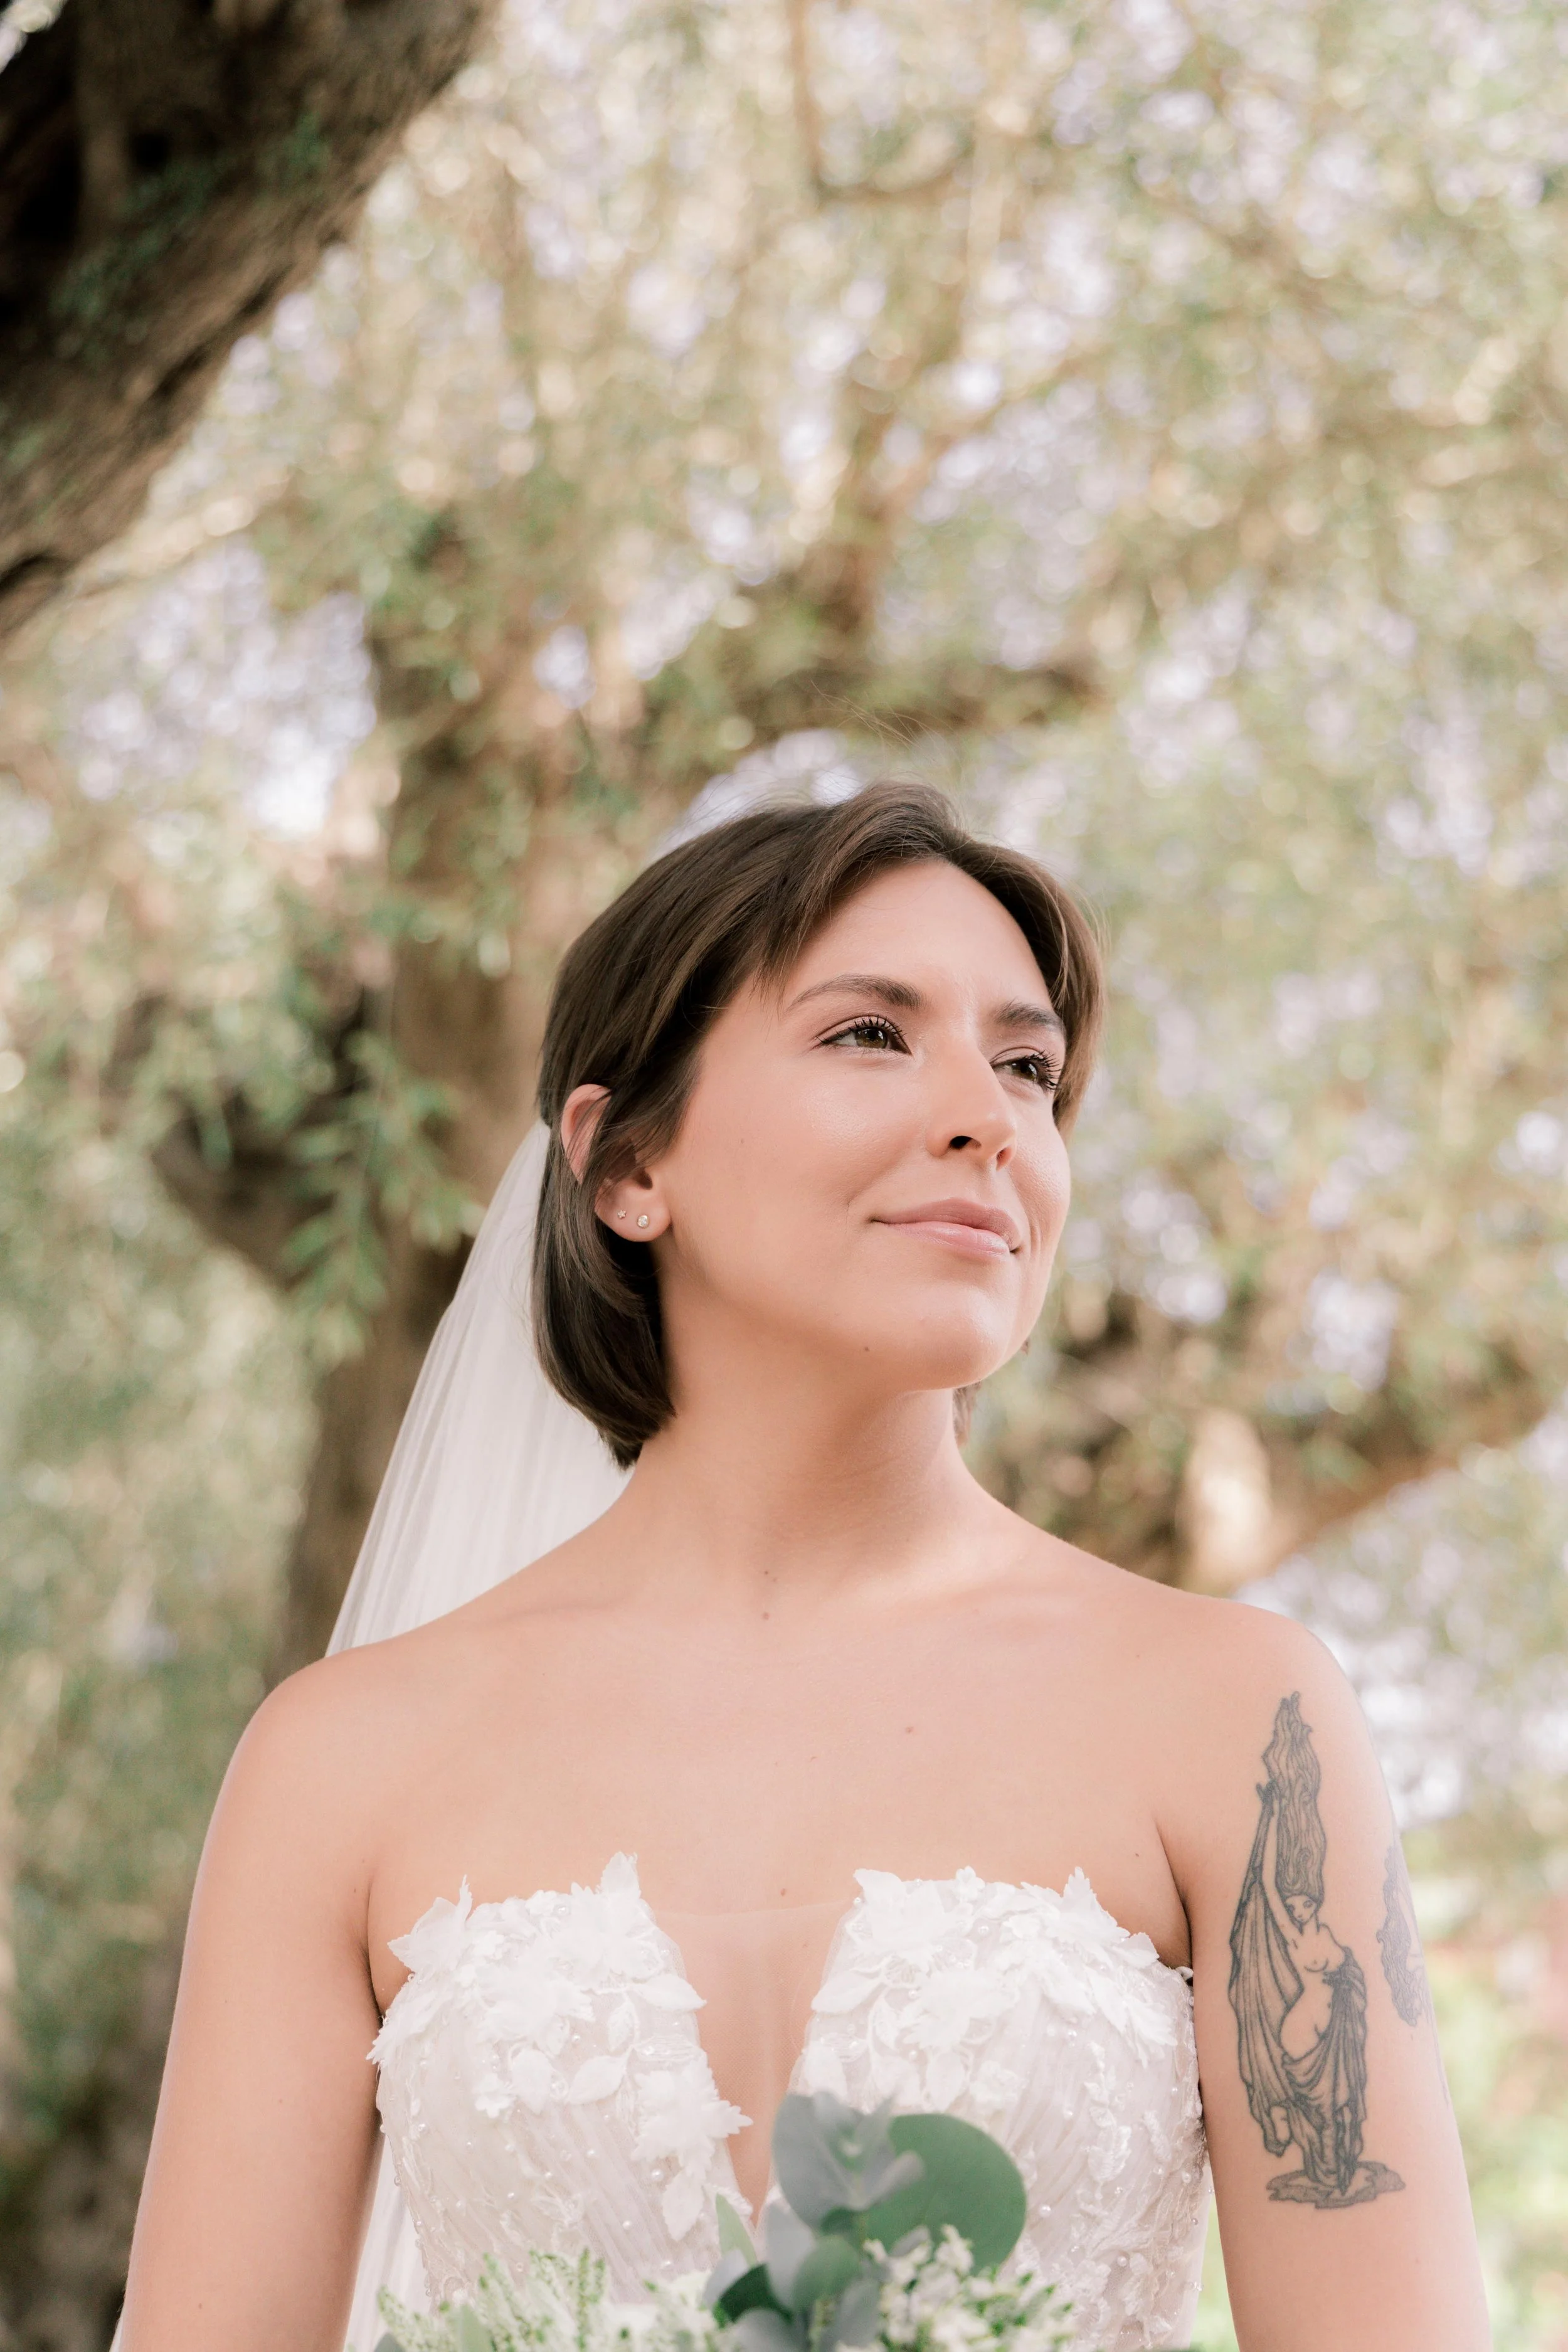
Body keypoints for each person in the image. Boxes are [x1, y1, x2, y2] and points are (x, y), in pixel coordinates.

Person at [116, 783, 1487, 2352]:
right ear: (625, 1165)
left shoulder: (1244, 1719)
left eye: (1027, 1066)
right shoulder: (338, 1760)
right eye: (868, 1035)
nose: (986, 1114)